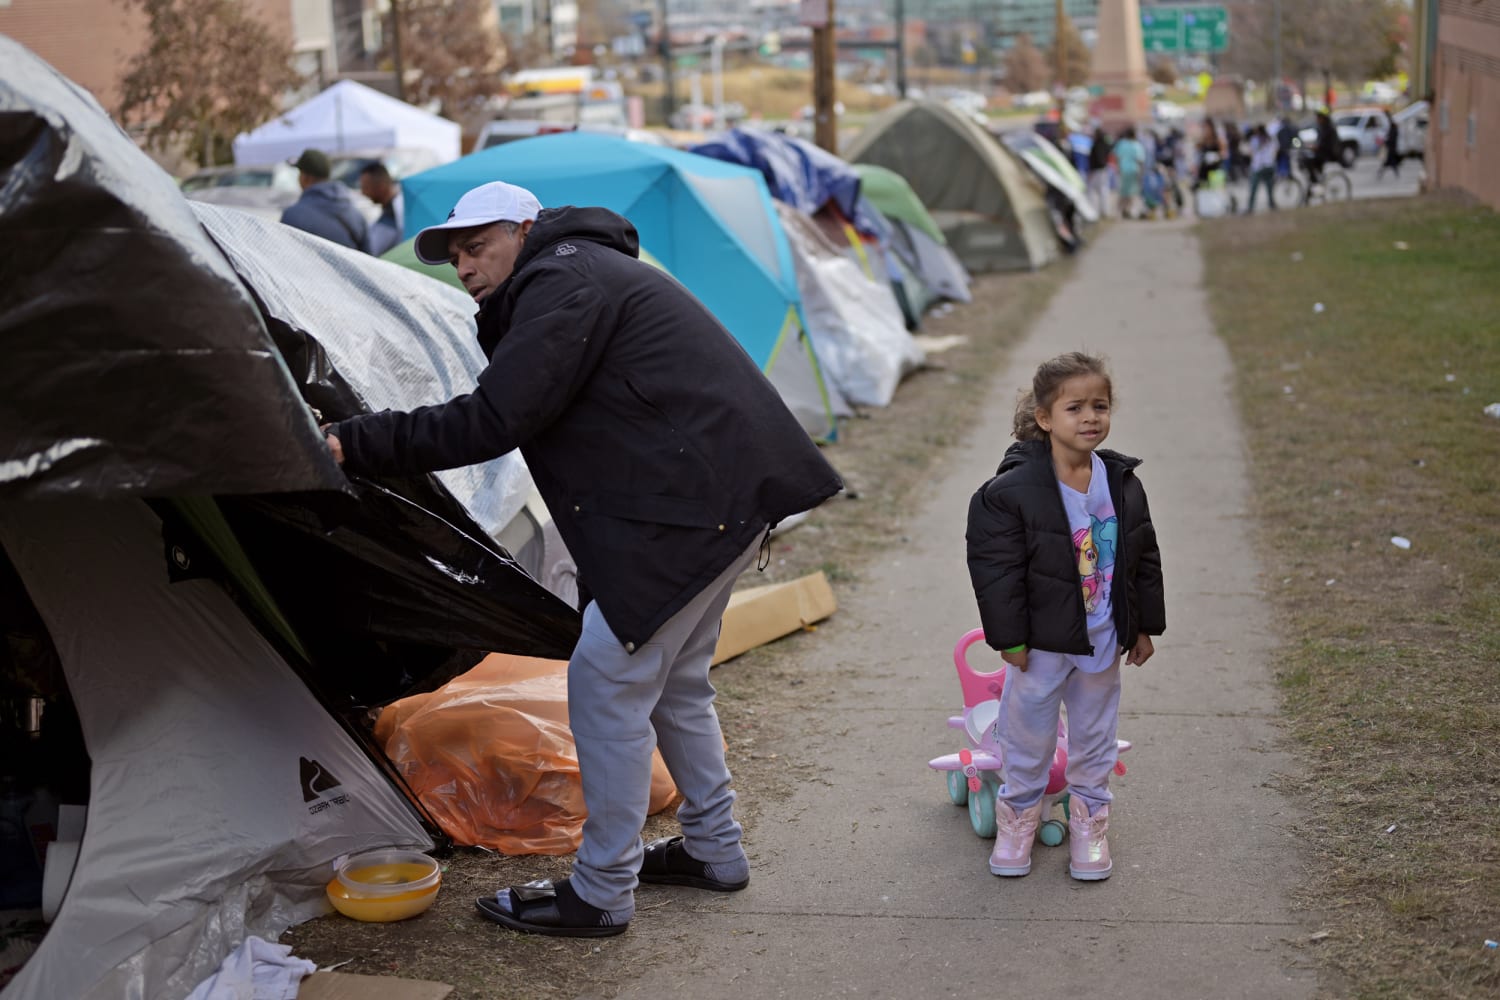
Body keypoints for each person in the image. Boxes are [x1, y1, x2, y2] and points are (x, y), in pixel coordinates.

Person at [321, 181, 843, 937]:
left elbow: (495, 418)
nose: (464, 266)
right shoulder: (575, 272)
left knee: (605, 687)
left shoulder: (563, 278)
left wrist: (352, 442)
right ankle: (714, 848)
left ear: (524, 228)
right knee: (675, 686)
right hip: (709, 498)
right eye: (455, 255)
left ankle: (601, 891)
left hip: (694, 507)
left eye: (477, 246)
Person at [965, 352, 1165, 881]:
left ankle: (1089, 820)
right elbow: (996, 571)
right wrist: (1009, 639)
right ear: (1045, 418)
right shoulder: (1010, 492)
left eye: (1100, 406)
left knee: (1095, 735)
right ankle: (1018, 818)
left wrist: (1143, 625)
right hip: (1040, 644)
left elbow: (1143, 555)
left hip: (1103, 636)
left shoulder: (1121, 482)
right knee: (1027, 734)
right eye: (1074, 408)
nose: (1090, 417)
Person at [279, 148, 369, 253]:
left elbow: (284, 258)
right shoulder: (356, 215)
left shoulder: (292, 216)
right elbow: (369, 257)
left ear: (305, 177)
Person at [359, 162, 404, 256]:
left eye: (366, 187)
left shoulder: (392, 217)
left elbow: (372, 251)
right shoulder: (394, 209)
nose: (363, 193)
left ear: (381, 187)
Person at [1111, 126, 1146, 220]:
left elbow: (1116, 156)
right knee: (1132, 192)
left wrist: (1117, 168)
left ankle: (1121, 210)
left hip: (1123, 170)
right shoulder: (1137, 145)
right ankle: (1127, 210)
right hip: (1134, 170)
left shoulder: (1121, 143)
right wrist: (1141, 172)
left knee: (1123, 192)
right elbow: (1140, 160)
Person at [1245, 123, 1278, 214]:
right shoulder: (1269, 139)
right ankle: (1271, 204)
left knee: (1256, 187)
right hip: (1266, 165)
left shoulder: (1256, 139)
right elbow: (1275, 150)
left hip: (1259, 166)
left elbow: (1250, 152)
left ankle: (1251, 207)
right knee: (1268, 187)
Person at [1086, 126, 1113, 218]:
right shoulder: (1105, 144)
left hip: (1097, 170)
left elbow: (1096, 158)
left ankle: (1093, 210)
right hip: (1103, 169)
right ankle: (1103, 211)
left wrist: (1092, 169)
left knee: (1092, 190)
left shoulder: (1096, 145)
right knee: (1103, 190)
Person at [1376, 108, 1401, 180]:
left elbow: (1391, 138)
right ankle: (1381, 173)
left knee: (1389, 162)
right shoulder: (1392, 127)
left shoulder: (1392, 127)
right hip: (1391, 147)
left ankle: (1380, 173)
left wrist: (1386, 142)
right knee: (1389, 163)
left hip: (1391, 147)